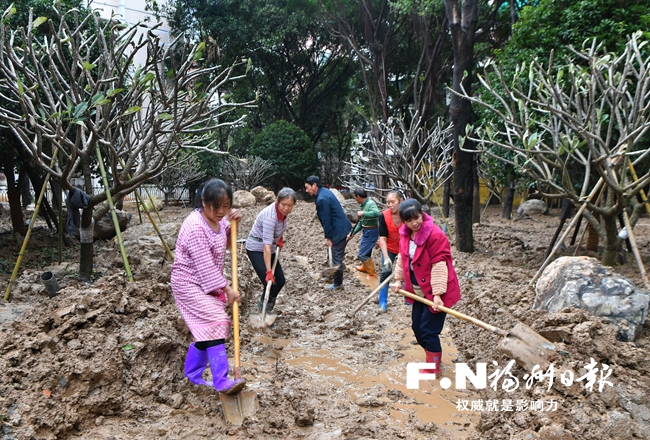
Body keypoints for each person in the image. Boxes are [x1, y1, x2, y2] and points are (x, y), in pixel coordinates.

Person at [171, 179, 245, 395]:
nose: (221, 211)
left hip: (206, 281)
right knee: (217, 320)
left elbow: (228, 245)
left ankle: (192, 375)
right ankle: (221, 381)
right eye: (216, 206)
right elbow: (204, 265)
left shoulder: (221, 221)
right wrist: (228, 289)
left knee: (207, 330)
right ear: (203, 202)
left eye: (226, 205)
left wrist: (234, 225)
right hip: (188, 282)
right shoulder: (194, 226)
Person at [390, 199, 460, 375]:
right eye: (409, 220)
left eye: (417, 218)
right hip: (418, 290)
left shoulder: (435, 236)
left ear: (422, 214)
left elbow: (439, 266)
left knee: (428, 330)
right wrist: (398, 280)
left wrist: (437, 295)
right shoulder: (405, 234)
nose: (414, 223)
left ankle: (433, 367)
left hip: (437, 290)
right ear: (404, 222)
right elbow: (402, 258)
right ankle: (432, 356)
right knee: (417, 328)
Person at [245, 188, 296, 313]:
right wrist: (268, 271)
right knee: (270, 283)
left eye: (290, 205)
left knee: (281, 281)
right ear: (277, 202)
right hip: (257, 248)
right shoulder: (270, 217)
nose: (286, 208)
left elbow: (278, 229)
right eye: (283, 204)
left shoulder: (283, 215)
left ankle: (267, 305)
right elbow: (266, 246)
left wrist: (279, 238)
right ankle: (264, 312)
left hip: (270, 247)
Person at [304, 176, 352, 290]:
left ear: (314, 185)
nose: (306, 190)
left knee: (336, 256)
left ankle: (338, 283)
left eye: (307, 187)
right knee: (333, 252)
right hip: (340, 225)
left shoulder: (322, 199)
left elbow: (327, 221)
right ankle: (331, 275)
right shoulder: (324, 192)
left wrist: (328, 237)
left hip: (338, 229)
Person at [377, 189, 405, 311]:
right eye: (388, 202)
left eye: (393, 202)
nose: (390, 205)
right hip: (389, 248)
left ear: (401, 201)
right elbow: (382, 239)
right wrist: (386, 258)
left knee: (408, 272)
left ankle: (409, 300)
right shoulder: (383, 216)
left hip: (405, 248)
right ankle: (382, 301)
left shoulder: (407, 214)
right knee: (386, 271)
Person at [347, 188, 380, 279]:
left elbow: (377, 213)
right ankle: (365, 267)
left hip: (372, 231)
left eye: (355, 197)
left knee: (362, 254)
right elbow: (361, 222)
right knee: (366, 251)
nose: (355, 199)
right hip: (366, 230)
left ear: (358, 196)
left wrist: (363, 213)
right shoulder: (363, 205)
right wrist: (353, 233)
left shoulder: (370, 204)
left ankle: (372, 274)